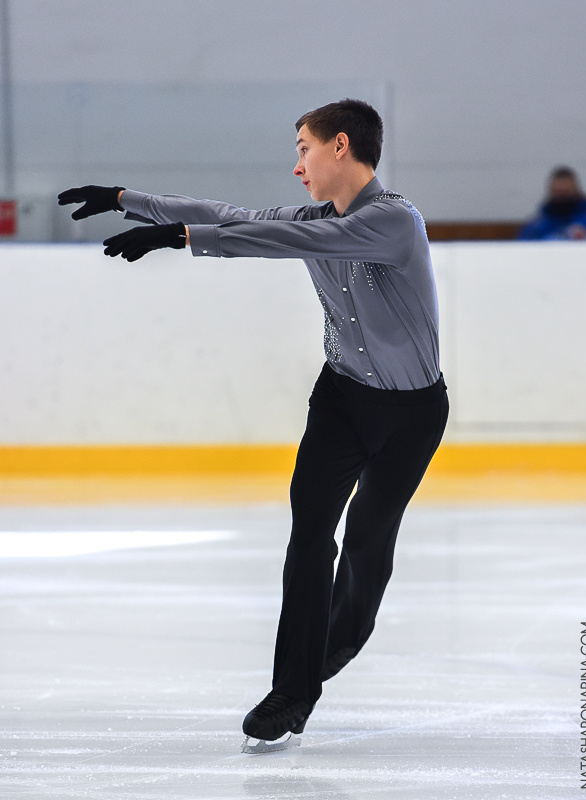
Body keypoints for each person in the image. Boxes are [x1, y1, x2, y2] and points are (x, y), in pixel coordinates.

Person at [58, 98, 449, 752]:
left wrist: (184, 240)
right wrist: (130, 199)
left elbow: (295, 240)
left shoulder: (394, 222)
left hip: (413, 415)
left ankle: (341, 639)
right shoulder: (315, 215)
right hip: (342, 401)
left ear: (341, 147)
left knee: (367, 539)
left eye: (303, 148)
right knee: (309, 537)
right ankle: (291, 696)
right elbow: (232, 216)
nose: (297, 164)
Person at [518, 166, 586, 241]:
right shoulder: (536, 227)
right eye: (558, 192)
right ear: (551, 192)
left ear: (575, 191)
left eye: (566, 192)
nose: (562, 197)